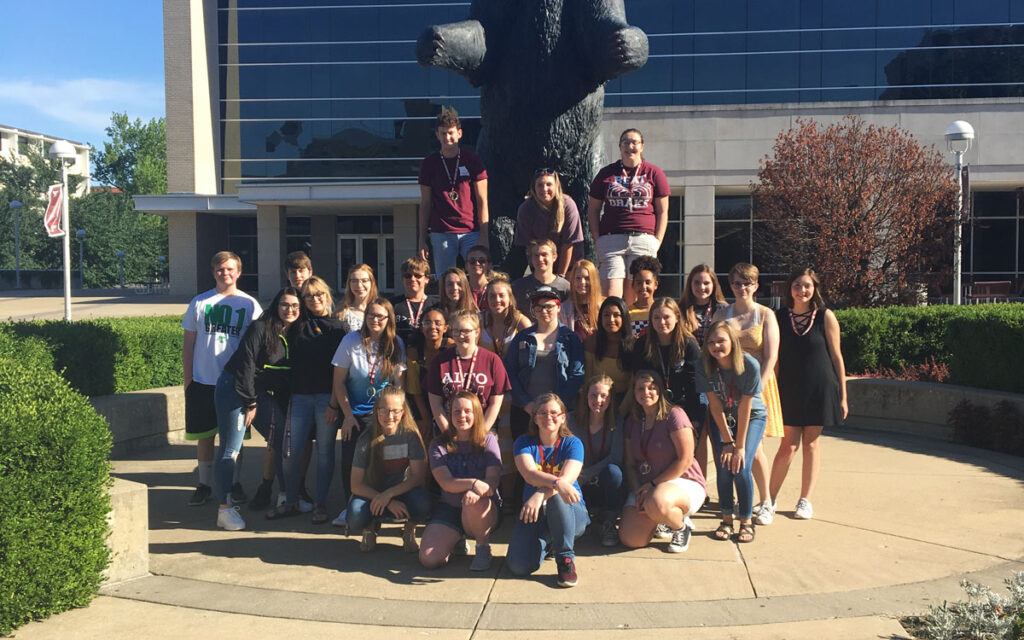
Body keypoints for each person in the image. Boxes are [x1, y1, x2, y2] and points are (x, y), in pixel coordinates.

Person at [213, 286, 301, 530]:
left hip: (257, 394)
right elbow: (245, 367)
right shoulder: (260, 328)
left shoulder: (293, 334)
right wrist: (250, 402)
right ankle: (225, 509)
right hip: (234, 389)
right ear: (276, 306)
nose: (290, 310)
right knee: (230, 449)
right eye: (285, 304)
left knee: (283, 436)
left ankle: (286, 496)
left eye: (295, 306)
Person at [182, 251, 263, 507]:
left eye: (229, 269)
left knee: (235, 438)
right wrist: (188, 380)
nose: (224, 273)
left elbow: (258, 347)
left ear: (239, 272)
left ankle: (234, 483)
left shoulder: (250, 304)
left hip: (235, 384)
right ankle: (204, 484)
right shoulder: (199, 302)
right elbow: (189, 344)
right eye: (219, 269)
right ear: (213, 272)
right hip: (203, 381)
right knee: (205, 436)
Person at [768, 268, 848, 521]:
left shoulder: (826, 317)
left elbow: (837, 357)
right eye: (797, 286)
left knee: (811, 444)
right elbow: (775, 359)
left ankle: (805, 500)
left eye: (807, 286)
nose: (802, 290)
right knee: (787, 446)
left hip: (820, 387)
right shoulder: (778, 317)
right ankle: (768, 499)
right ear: (789, 289)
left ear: (815, 289)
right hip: (789, 388)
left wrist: (843, 396)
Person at [268, 277, 345, 522]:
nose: (315, 300)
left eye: (319, 294)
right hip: (299, 397)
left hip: (326, 399)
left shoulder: (338, 328)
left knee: (325, 453)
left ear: (327, 295)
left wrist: (335, 403)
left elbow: (341, 371)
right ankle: (291, 500)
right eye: (309, 296)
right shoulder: (296, 324)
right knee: (291, 453)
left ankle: (321, 504)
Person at [712, 262, 782, 525]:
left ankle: (766, 501)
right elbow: (714, 347)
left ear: (756, 286)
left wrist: (755, 389)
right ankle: (747, 498)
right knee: (739, 445)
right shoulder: (723, 315)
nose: (742, 288)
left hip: (757, 386)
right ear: (731, 286)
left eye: (747, 283)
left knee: (754, 449)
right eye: (737, 283)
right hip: (728, 387)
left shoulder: (765, 315)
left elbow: (771, 355)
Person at [327, 298, 407, 526]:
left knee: (384, 460)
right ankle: (349, 505)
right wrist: (348, 416)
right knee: (351, 458)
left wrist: (397, 417)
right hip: (354, 412)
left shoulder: (396, 344)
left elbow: (398, 386)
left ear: (388, 319)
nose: (375, 320)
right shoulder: (351, 341)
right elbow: (339, 382)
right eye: (371, 315)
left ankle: (383, 505)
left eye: (381, 316)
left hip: (384, 413)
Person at [248, 250, 315, 512]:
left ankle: (298, 485)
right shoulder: (281, 301)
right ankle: (267, 485)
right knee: (276, 438)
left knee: (303, 438)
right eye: (292, 271)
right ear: (286, 274)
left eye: (302, 270)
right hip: (278, 380)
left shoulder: (312, 299)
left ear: (310, 271)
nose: (297, 276)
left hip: (301, 381)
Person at [507, 394, 589, 587]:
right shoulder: (523, 442)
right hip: (534, 514)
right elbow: (529, 473)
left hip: (570, 512)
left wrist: (542, 493)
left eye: (554, 412)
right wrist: (555, 483)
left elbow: (567, 480)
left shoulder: (573, 443)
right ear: (534, 418)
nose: (548, 417)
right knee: (518, 566)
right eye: (542, 413)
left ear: (563, 417)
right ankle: (550, 539)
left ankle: (565, 560)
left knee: (557, 496)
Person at [618, 370, 706, 553]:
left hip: (682, 481)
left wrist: (652, 484)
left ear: (660, 391)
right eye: (640, 389)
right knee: (631, 539)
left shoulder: (674, 414)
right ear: (633, 393)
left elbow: (685, 459)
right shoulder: (633, 421)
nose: (646, 392)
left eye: (652, 388)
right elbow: (629, 464)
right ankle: (661, 518)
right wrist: (637, 492)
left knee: (657, 500)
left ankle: (680, 526)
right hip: (647, 487)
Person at [696, 321, 766, 544]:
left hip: (751, 416)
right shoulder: (704, 365)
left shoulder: (749, 365)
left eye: (721, 341)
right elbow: (715, 405)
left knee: (740, 465)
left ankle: (746, 521)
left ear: (732, 342)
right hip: (722, 417)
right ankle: (727, 519)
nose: (716, 346)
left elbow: (746, 406)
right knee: (724, 466)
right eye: (711, 342)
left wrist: (739, 446)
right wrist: (727, 442)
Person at [419, 391, 502, 571]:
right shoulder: (438, 444)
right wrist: (472, 483)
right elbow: (445, 482)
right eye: (456, 411)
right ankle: (457, 538)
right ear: (449, 414)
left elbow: (493, 480)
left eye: (467, 411)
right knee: (429, 559)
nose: (461, 416)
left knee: (474, 503)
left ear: (476, 414)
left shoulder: (488, 440)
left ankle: (482, 548)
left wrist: (476, 491)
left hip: (482, 508)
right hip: (450, 507)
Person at [587, 128, 669, 303]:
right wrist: (597, 239)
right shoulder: (606, 173)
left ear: (642, 146)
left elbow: (663, 211)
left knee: (639, 296)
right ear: (619, 146)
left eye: (634, 142)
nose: (630, 146)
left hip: (643, 239)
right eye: (625, 142)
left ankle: (637, 330)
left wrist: (657, 241)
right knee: (611, 298)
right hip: (611, 240)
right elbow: (593, 210)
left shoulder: (654, 173)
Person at [346, 387, 431, 553]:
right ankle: (370, 527)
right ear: (376, 411)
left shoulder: (410, 436)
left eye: (395, 411)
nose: (389, 416)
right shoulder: (366, 438)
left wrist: (390, 495)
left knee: (423, 503)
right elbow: (355, 485)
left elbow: (418, 477)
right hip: (372, 493)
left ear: (403, 411)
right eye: (383, 410)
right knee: (356, 514)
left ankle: (409, 528)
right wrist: (386, 499)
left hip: (401, 491)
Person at [504, 287, 585, 438]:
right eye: (538, 307)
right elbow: (510, 371)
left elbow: (577, 374)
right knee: (524, 455)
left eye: (549, 306)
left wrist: (556, 406)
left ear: (558, 307)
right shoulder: (523, 337)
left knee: (556, 457)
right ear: (533, 310)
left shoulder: (570, 338)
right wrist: (526, 403)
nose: (544, 310)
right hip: (525, 411)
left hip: (557, 414)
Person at [418, 106, 489, 276]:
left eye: (450, 133)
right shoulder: (429, 164)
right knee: (446, 279)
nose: (447, 137)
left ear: (459, 133)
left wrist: (484, 236)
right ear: (437, 135)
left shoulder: (473, 161)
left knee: (479, 275)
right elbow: (426, 204)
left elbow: (482, 200)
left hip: (471, 231)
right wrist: (422, 239)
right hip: (442, 231)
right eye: (443, 133)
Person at [479, 276, 532, 500]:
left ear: (510, 298)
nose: (497, 300)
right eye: (492, 295)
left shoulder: (521, 323)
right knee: (485, 441)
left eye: (502, 295)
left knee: (507, 444)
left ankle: (509, 500)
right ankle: (489, 496)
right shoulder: (479, 321)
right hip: (483, 394)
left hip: (512, 393)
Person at [427, 310, 510, 433]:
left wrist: (481, 433)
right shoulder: (440, 361)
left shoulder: (492, 361)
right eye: (456, 331)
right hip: (449, 430)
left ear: (477, 332)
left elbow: (495, 404)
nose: (461, 336)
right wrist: (447, 433)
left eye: (466, 331)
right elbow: (435, 404)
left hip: (483, 430)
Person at [569, 375, 625, 547]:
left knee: (614, 472)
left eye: (603, 396)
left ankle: (609, 521)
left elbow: (616, 456)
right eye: (593, 395)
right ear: (585, 396)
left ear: (610, 399)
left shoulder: (618, 421)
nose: (598, 400)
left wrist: (586, 473)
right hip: (577, 484)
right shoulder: (571, 420)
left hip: (601, 482)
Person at [635, 298, 702, 425]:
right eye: (656, 318)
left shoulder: (689, 345)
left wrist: (694, 418)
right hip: (652, 405)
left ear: (677, 318)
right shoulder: (642, 345)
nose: (661, 322)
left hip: (683, 405)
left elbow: (693, 385)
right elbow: (638, 379)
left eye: (666, 317)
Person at [513, 169, 584, 277]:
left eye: (549, 184)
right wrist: (540, 273)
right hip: (541, 261)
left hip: (569, 265)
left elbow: (568, 244)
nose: (544, 189)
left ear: (556, 187)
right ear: (534, 188)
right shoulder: (525, 209)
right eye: (540, 185)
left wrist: (560, 277)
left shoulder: (568, 205)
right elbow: (529, 245)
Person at [405, 307, 453, 442]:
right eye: (427, 323)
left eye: (438, 323)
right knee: (424, 440)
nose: (432, 327)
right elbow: (414, 390)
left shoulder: (451, 348)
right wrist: (426, 418)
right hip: (421, 404)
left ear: (445, 328)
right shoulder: (413, 352)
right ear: (421, 328)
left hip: (447, 403)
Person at [583, 296, 635, 403]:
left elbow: (634, 385)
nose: (611, 320)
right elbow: (586, 381)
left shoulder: (634, 345)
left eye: (616, 315)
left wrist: (622, 412)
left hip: (625, 402)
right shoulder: (591, 342)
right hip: (596, 401)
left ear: (624, 318)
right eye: (606, 315)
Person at [511, 239, 570, 318]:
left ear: (554, 257)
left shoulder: (566, 287)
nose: (540, 259)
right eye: (536, 255)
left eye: (544, 255)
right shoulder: (518, 287)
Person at [679, 263, 726, 346]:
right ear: (690, 285)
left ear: (714, 285)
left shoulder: (723, 309)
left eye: (706, 283)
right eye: (697, 283)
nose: (702, 287)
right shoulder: (680, 309)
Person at [390, 257, 434, 347]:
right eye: (407, 276)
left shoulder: (435, 305)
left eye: (417, 275)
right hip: (399, 355)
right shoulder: (392, 304)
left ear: (427, 279)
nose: (412, 279)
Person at [560, 259, 602, 342]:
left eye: (587, 278)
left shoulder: (603, 305)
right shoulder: (564, 308)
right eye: (578, 278)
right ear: (573, 280)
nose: (582, 282)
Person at [336, 263, 378, 333]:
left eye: (364, 281)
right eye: (354, 281)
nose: (359, 285)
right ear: (349, 284)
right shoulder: (341, 313)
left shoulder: (382, 309)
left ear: (372, 283)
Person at [627, 255, 661, 338]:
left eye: (648, 282)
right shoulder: (626, 312)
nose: (643, 287)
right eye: (639, 283)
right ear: (633, 285)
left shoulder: (662, 310)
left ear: (655, 285)